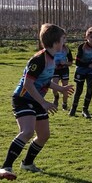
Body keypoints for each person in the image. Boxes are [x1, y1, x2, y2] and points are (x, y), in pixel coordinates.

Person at [0, 23, 74, 181]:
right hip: (22, 98)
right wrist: (44, 102)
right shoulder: (39, 59)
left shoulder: (52, 58)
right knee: (27, 132)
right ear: (55, 42)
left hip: (36, 100)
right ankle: (5, 166)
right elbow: (28, 84)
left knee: (44, 135)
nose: (64, 43)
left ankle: (27, 163)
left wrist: (60, 89)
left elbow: (44, 81)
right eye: (63, 39)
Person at [69, 27, 92, 118]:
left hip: (91, 71)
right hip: (81, 71)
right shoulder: (82, 47)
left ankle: (85, 110)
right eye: (91, 37)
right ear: (86, 37)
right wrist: (89, 65)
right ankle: (73, 108)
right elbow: (77, 62)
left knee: (90, 90)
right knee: (79, 90)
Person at [52, 42, 73, 110]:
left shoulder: (66, 49)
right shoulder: (52, 48)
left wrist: (65, 63)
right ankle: (56, 97)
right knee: (54, 87)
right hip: (55, 70)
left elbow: (71, 62)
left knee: (65, 87)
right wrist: (52, 64)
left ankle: (64, 103)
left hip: (64, 70)